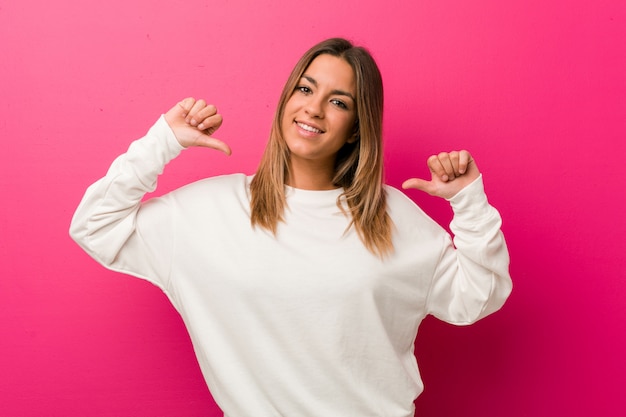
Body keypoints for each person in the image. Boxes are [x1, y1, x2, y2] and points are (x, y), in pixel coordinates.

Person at [70, 38, 512, 417]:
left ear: (357, 130)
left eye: (338, 102)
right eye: (305, 88)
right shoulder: (208, 211)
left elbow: (478, 296)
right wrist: (162, 142)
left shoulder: (389, 215)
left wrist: (468, 202)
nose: (313, 109)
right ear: (286, 99)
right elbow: (94, 226)